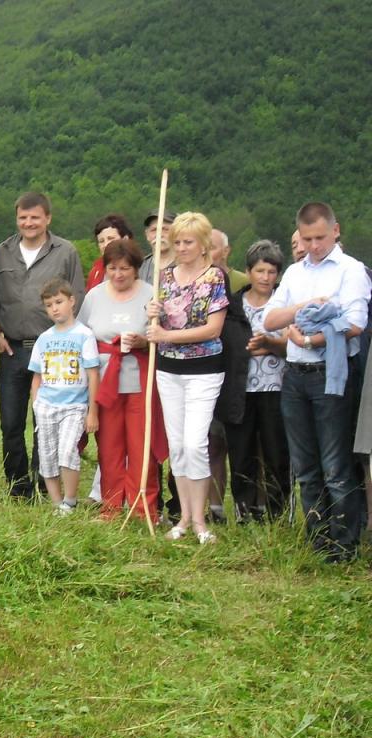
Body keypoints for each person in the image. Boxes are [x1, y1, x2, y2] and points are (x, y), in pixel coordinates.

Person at [264, 201, 370, 563]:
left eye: (320, 238)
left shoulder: (351, 270)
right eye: (307, 239)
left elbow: (355, 323)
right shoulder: (295, 273)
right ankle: (317, 541)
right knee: (306, 467)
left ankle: (344, 546)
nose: (313, 245)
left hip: (332, 373)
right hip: (295, 375)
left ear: (335, 231)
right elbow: (270, 319)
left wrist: (309, 338)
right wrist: (304, 307)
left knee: (336, 466)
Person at [0, 192, 85, 498]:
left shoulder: (66, 252)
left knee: (47, 421)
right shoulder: (2, 252)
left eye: (35, 217)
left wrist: (65, 337)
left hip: (53, 353)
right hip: (13, 349)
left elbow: (77, 297)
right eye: (23, 218)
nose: (28, 223)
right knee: (10, 422)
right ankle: (18, 486)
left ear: (47, 219)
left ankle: (46, 484)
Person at [145, 211, 228, 544]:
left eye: (188, 242)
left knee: (195, 444)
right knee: (178, 446)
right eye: (177, 241)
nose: (181, 247)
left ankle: (200, 521)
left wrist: (166, 335)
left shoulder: (214, 277)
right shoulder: (164, 276)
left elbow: (213, 329)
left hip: (204, 370)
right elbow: (159, 319)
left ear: (203, 244)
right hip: (168, 370)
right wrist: (152, 312)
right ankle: (184, 519)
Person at [78, 238, 164, 522]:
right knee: (110, 446)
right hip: (104, 380)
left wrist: (143, 341)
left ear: (136, 268)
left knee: (141, 444)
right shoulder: (94, 296)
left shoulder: (151, 294)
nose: (118, 274)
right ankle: (111, 505)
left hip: (139, 376)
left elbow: (162, 336)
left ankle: (143, 507)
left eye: (125, 268)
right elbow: (83, 336)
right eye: (113, 268)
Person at [224, 240, 290, 521]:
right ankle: (245, 511)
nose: (265, 278)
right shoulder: (233, 305)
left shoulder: (284, 303)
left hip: (277, 387)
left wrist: (270, 345)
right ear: (249, 271)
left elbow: (292, 345)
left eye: (272, 272)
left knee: (277, 452)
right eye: (260, 271)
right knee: (241, 452)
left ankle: (278, 512)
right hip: (240, 387)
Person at [29, 280, 100, 512]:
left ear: (72, 301)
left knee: (68, 451)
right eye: (49, 305)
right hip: (46, 406)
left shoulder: (84, 335)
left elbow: (93, 375)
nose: (55, 308)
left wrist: (92, 411)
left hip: (74, 406)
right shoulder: (44, 338)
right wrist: (36, 404)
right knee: (47, 455)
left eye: (59, 302)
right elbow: (37, 376)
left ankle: (70, 500)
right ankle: (57, 502)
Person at [86, 214, 133, 291]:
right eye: (101, 241)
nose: (105, 244)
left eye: (110, 238)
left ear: (125, 239)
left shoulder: (137, 268)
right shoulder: (95, 270)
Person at [139, 209, 175, 284]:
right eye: (154, 230)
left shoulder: (186, 265)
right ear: (147, 235)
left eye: (165, 229)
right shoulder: (139, 267)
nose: (159, 234)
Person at [210, 229, 249, 294]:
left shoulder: (244, 283)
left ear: (225, 251)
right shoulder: (193, 282)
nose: (204, 253)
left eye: (211, 248)